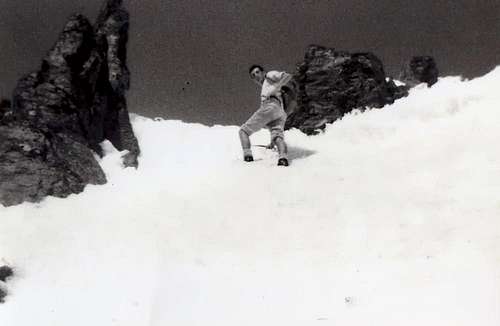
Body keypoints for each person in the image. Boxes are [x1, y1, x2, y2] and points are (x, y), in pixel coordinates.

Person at [239, 65, 293, 166]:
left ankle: (247, 158)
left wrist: (276, 87)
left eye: (257, 72)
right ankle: (283, 158)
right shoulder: (266, 85)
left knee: (243, 131)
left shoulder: (269, 75)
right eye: (253, 75)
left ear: (263, 72)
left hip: (271, 105)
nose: (256, 76)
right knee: (277, 137)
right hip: (280, 112)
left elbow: (287, 76)